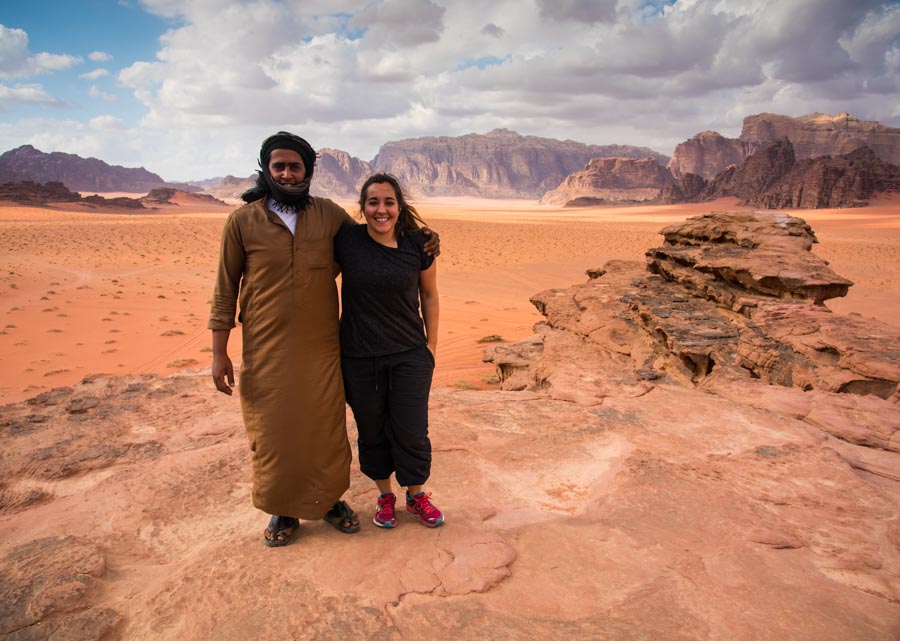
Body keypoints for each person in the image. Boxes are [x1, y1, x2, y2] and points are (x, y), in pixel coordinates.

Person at [208, 133, 439, 547]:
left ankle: (331, 500)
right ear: (266, 170)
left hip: (324, 344)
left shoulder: (329, 215)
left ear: (308, 171)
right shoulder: (242, 222)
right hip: (266, 344)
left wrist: (422, 239)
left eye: (295, 166)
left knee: (324, 426)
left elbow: (378, 233)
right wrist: (219, 352)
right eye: (278, 166)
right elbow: (225, 288)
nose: (286, 173)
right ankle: (283, 508)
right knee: (274, 429)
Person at [334, 173, 443, 529]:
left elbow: (429, 294)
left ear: (399, 206)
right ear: (362, 207)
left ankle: (416, 494)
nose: (381, 210)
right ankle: (384, 495)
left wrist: (431, 346)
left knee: (412, 429)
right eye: (373, 202)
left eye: (388, 202)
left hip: (409, 354)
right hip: (359, 356)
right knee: (372, 429)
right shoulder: (346, 240)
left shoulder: (419, 244)